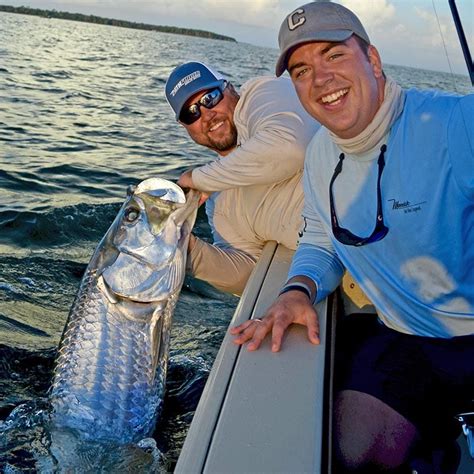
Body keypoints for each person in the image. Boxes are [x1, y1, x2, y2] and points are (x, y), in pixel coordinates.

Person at [231, 1, 474, 471]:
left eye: (334, 55)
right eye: (302, 70)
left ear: (374, 60)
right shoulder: (320, 156)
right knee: (344, 455)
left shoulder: (453, 125)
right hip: (402, 337)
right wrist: (297, 289)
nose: (319, 79)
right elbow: (321, 238)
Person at [164, 61, 320, 295]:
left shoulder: (262, 95)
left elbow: (290, 148)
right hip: (330, 266)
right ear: (184, 127)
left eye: (210, 98)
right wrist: (187, 250)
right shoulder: (217, 198)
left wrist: (197, 180)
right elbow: (247, 274)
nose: (206, 115)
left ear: (229, 88)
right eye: (191, 113)